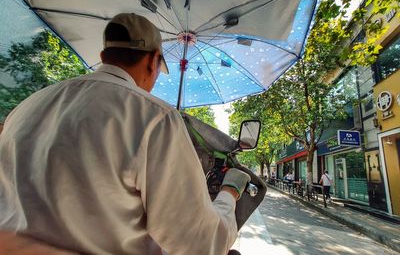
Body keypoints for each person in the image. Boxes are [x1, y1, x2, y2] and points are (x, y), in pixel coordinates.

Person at [0, 13, 251, 255]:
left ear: (103, 56)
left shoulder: (27, 107)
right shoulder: (157, 119)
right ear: (153, 61)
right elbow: (201, 244)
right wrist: (229, 193)